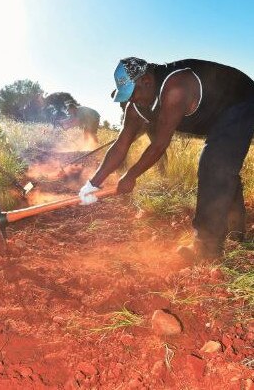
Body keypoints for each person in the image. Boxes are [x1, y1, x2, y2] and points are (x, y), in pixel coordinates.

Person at [79, 57, 254, 262]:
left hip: (241, 100)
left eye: (132, 93)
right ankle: (236, 229)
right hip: (214, 115)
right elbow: (121, 144)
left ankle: (206, 247)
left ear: (146, 80)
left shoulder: (176, 88)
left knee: (214, 164)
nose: (131, 100)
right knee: (223, 165)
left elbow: (160, 144)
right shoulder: (135, 105)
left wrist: (131, 176)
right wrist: (93, 183)